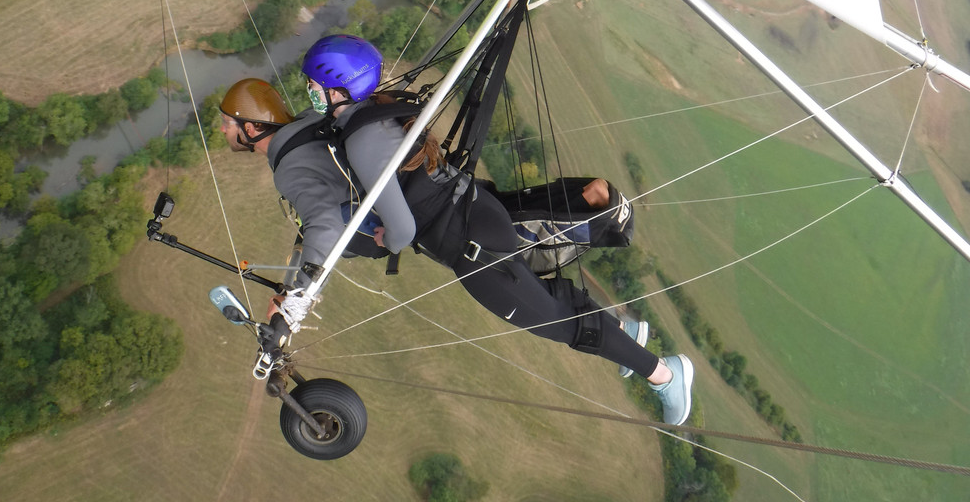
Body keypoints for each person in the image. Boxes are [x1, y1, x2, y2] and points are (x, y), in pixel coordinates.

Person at [218, 35, 695, 426]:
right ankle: (626, 334)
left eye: (314, 84)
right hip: (473, 213)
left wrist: (384, 242)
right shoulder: (369, 116)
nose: (308, 92)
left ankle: (665, 375)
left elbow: (400, 228)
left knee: (556, 322)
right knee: (544, 295)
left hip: (471, 245)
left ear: (335, 89)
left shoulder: (361, 139)